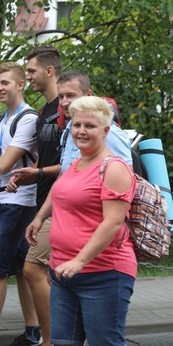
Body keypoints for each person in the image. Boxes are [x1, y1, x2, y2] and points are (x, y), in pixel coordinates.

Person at [25, 96, 137, 345]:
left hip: (104, 275)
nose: (81, 131)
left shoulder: (114, 168)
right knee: (63, 342)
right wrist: (39, 217)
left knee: (104, 342)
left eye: (90, 126)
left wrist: (80, 261)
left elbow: (113, 223)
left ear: (106, 130)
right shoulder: (78, 162)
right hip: (62, 272)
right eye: (77, 125)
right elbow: (58, 189)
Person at [6, 46, 63, 346]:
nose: (28, 77)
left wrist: (37, 173)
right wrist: (28, 175)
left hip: (59, 203)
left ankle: (51, 339)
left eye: (31, 71)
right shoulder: (44, 113)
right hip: (41, 203)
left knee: (31, 269)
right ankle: (47, 336)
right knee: (34, 270)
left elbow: (71, 164)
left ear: (49, 71)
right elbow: (47, 158)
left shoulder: (66, 112)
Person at [0, 62, 41, 345]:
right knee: (21, 269)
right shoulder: (5, 118)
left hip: (17, 201)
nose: (0, 88)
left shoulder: (27, 118)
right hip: (6, 199)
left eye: (5, 83)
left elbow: (5, 165)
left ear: (20, 84)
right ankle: (34, 331)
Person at [56, 70, 132, 172]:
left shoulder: (110, 132)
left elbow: (126, 178)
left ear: (88, 95)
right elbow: (65, 171)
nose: (64, 103)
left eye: (70, 95)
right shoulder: (68, 130)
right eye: (61, 97)